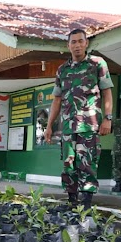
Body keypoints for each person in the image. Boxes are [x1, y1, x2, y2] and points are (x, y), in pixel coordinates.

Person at [45, 28, 114, 208]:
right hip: (68, 127)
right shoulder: (62, 70)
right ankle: (72, 203)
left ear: (86, 43)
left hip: (89, 126)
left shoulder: (97, 64)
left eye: (80, 41)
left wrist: (108, 119)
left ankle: (86, 207)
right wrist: (49, 125)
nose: (77, 45)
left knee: (87, 164)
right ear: (68, 45)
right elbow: (57, 100)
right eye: (73, 42)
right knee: (68, 165)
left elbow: (107, 93)